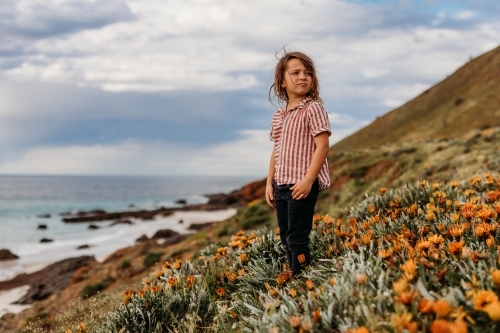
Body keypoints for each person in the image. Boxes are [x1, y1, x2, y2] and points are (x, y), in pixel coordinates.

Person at [266, 50, 331, 277]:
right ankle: (294, 276)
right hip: (280, 186)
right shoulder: (278, 115)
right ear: (282, 82)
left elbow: (322, 147)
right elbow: (277, 150)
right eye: (295, 73)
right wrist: (269, 183)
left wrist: (308, 181)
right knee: (286, 238)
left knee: (297, 238)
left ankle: (303, 281)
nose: (303, 77)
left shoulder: (313, 108)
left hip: (301, 186)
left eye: (307, 73)